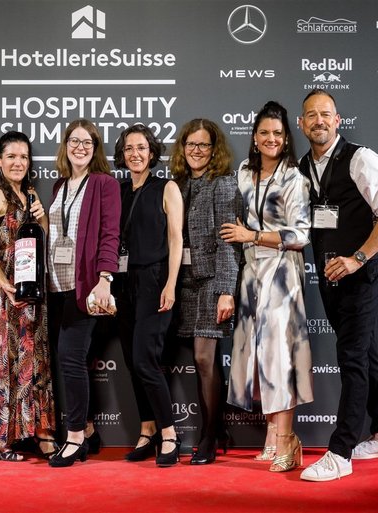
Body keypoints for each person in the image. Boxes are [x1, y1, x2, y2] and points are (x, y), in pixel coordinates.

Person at [296, 90, 378, 482]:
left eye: (326, 114)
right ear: (301, 124)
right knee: (365, 353)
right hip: (331, 279)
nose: (319, 121)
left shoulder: (361, 158)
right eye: (311, 115)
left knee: (353, 358)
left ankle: (340, 452)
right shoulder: (303, 166)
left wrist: (358, 258)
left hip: (362, 276)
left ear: (337, 120)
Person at [221, 101, 313, 473]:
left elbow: (300, 235)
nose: (271, 139)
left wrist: (254, 235)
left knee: (280, 355)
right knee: (257, 357)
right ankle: (273, 437)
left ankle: (288, 440)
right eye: (264, 133)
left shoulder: (294, 177)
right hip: (250, 273)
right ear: (255, 137)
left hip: (282, 273)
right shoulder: (243, 171)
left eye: (277, 133)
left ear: (286, 138)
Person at [45, 120, 120, 467]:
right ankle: (88, 430)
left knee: (71, 358)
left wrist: (104, 278)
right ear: (65, 145)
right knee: (71, 361)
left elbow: (110, 234)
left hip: (85, 286)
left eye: (87, 142)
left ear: (95, 148)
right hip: (55, 287)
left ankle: (74, 437)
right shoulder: (60, 185)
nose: (80, 147)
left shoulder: (104, 183)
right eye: (74, 141)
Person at [0, 131, 56, 461]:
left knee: (35, 359)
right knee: (6, 361)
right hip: (8, 292)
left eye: (23, 156)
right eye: (11, 156)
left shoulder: (31, 194)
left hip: (34, 291)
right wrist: (4, 284)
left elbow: (44, 238)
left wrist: (42, 217)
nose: (18, 162)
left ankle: (40, 431)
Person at [169, 119, 241, 465]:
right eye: (191, 144)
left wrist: (227, 290)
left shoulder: (223, 184)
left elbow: (229, 241)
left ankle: (209, 436)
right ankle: (220, 428)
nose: (197, 151)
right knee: (203, 362)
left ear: (215, 150)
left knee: (203, 358)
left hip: (212, 281)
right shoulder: (178, 184)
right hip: (183, 281)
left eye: (204, 145)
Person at [114, 124, 184, 467]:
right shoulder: (118, 190)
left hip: (155, 280)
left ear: (152, 152)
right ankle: (147, 429)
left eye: (141, 147)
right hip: (123, 283)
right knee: (131, 360)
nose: (135, 154)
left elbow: (176, 239)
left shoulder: (166, 187)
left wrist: (171, 283)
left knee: (145, 359)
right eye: (129, 148)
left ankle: (170, 434)